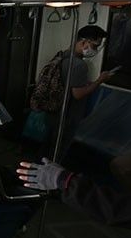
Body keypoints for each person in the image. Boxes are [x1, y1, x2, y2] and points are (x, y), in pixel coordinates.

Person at [48, 25, 114, 155]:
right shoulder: (79, 65)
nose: (95, 50)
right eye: (95, 46)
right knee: (58, 150)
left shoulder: (62, 56)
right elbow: (77, 94)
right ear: (84, 42)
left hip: (54, 110)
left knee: (49, 146)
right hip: (68, 115)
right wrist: (99, 80)